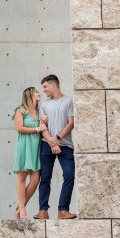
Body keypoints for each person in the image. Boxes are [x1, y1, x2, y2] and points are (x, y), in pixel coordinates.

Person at [34, 74, 76, 220]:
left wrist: (57, 138)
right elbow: (42, 126)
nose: (44, 90)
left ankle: (63, 210)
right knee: (45, 177)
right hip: (47, 145)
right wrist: (52, 142)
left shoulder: (68, 100)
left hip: (65, 145)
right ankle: (43, 211)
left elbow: (71, 123)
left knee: (69, 175)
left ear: (53, 85)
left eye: (45, 86)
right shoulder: (43, 105)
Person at [12, 87, 47, 219]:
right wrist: (38, 128)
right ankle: (22, 210)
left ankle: (19, 207)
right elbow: (19, 128)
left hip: (36, 148)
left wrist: (44, 121)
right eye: (36, 92)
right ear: (29, 95)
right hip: (24, 146)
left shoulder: (39, 111)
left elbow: (44, 127)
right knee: (21, 177)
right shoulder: (20, 111)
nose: (39, 94)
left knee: (35, 179)